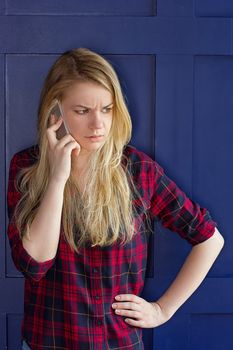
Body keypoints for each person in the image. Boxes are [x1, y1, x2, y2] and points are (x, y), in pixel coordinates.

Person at [6, 47, 224, 350]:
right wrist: (57, 178)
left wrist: (162, 309)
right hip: (47, 342)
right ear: (54, 114)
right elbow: (33, 264)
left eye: (107, 109)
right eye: (82, 111)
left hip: (118, 344)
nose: (99, 125)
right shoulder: (25, 168)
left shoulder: (138, 171)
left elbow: (210, 239)